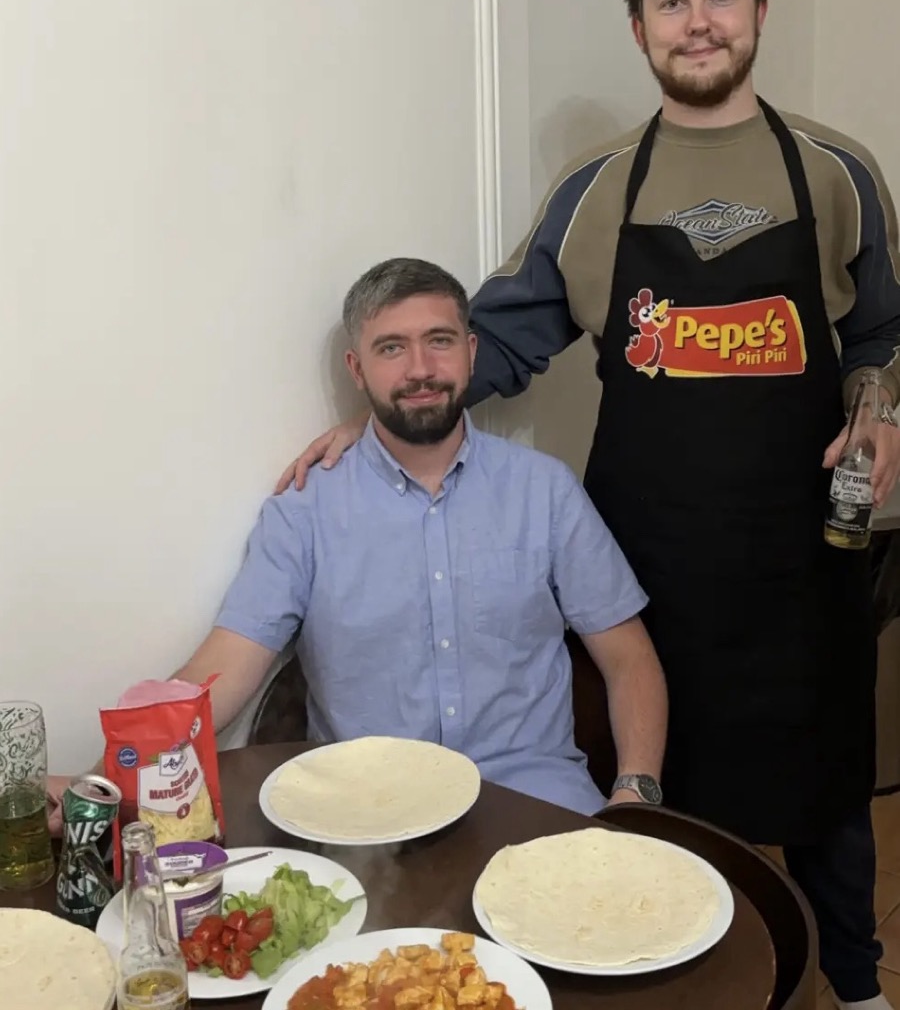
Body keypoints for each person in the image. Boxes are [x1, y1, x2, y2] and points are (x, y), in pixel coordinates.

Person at [280, 0, 900, 1010]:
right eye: (673, 1)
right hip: (655, 564)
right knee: (662, 801)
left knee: (828, 790)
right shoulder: (596, 187)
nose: (698, 22)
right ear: (639, 26)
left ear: (760, 9)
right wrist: (386, 410)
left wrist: (878, 404)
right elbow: (501, 333)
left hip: (805, 563)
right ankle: (677, 978)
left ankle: (851, 985)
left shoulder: (838, 171)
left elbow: (879, 332)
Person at [50, 258, 667, 825]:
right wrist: (103, 784)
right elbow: (220, 672)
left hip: (536, 803)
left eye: (440, 341)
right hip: (368, 817)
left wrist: (635, 793)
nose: (420, 369)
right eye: (391, 348)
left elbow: (629, 658)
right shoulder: (304, 510)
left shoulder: (545, 491)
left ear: (471, 351)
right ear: (357, 368)